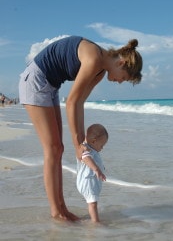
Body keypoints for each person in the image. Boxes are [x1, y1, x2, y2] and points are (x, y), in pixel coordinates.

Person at [18, 35, 142, 222]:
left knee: (58, 148)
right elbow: (71, 102)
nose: (119, 82)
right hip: (35, 81)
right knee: (52, 149)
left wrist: (81, 142)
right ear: (122, 63)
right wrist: (78, 143)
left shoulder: (100, 72)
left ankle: (62, 208)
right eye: (123, 78)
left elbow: (80, 102)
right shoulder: (94, 59)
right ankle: (56, 210)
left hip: (50, 86)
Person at [76, 123, 108, 223]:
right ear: (94, 141)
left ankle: (94, 219)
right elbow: (86, 158)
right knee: (92, 203)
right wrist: (97, 169)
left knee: (92, 202)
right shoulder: (87, 149)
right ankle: (95, 222)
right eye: (102, 145)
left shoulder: (88, 145)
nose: (102, 148)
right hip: (88, 182)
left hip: (88, 181)